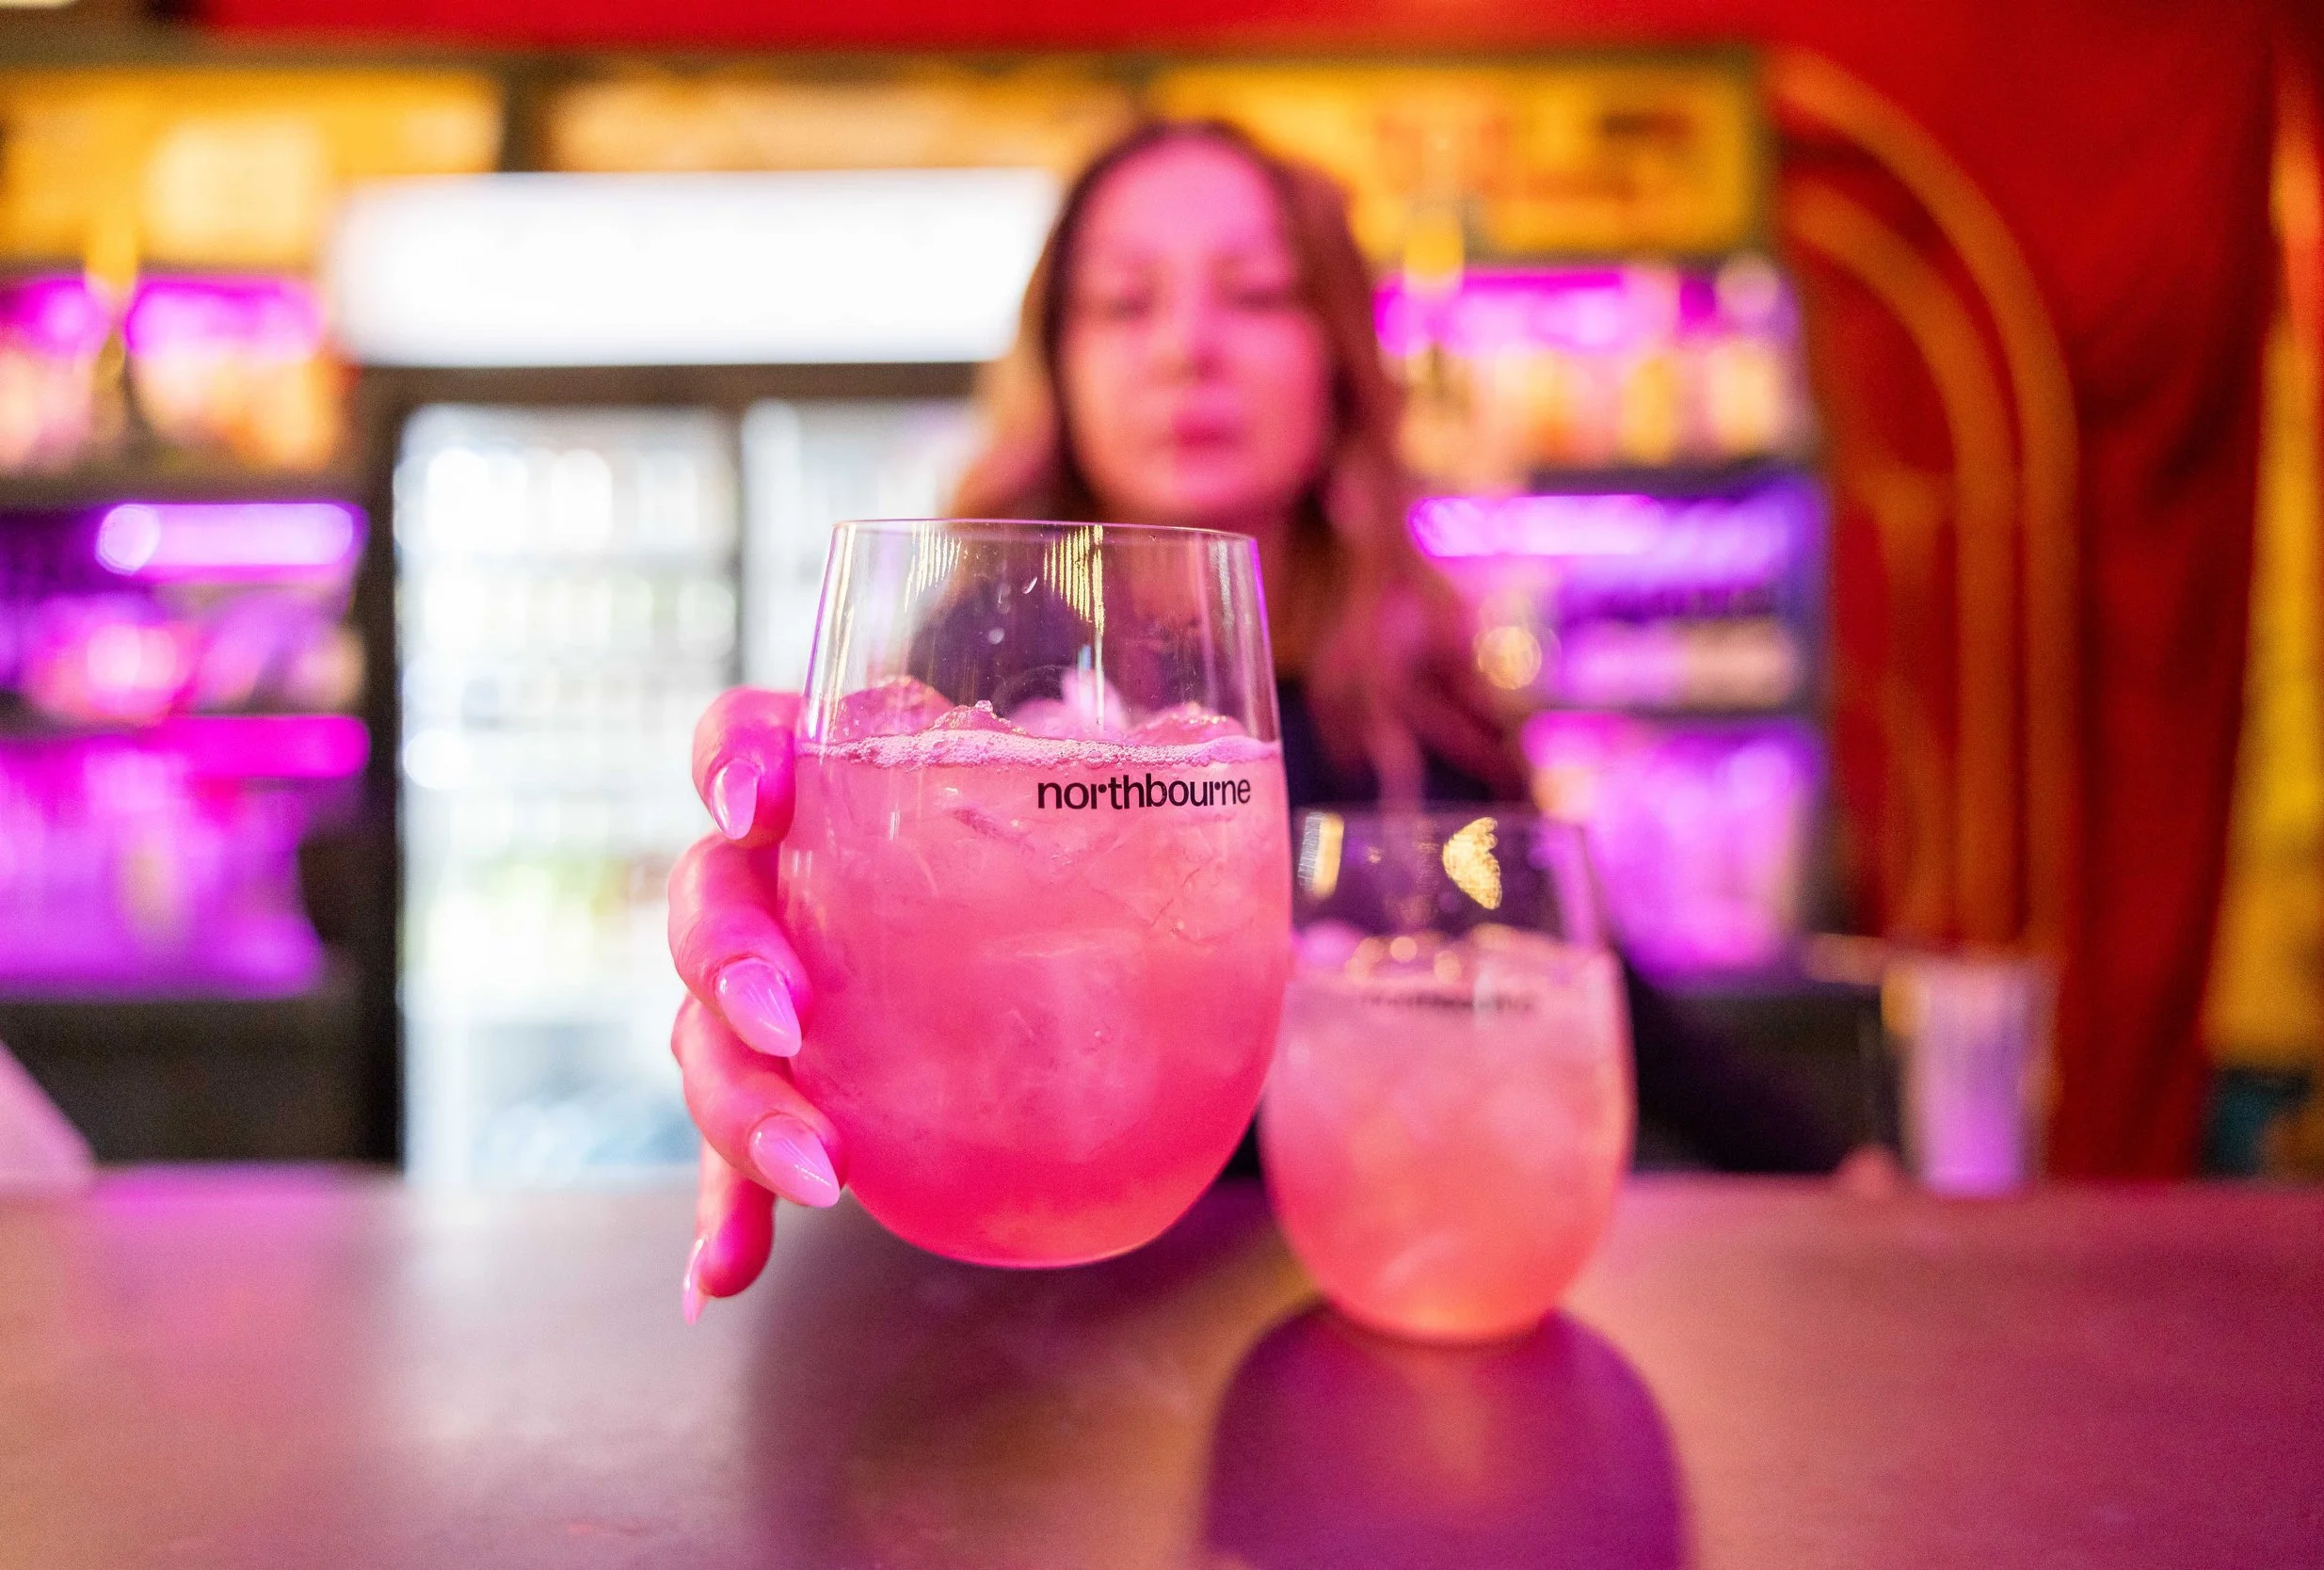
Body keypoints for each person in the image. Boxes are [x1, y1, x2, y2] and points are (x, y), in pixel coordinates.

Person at [668, 120, 1865, 1320]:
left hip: (1333, 1346)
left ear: (1336, 354)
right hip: (975, 1351)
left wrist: (1839, 1172)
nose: (1188, 347)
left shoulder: (1426, 715)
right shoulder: (940, 712)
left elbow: (1577, 990)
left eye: (1254, 293)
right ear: (1058, 365)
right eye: (1125, 302)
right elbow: (860, 1007)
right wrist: (770, 985)